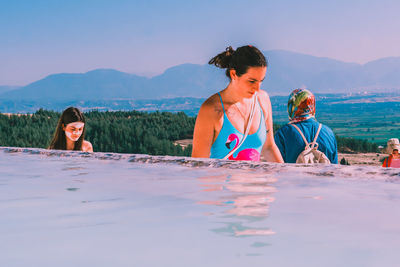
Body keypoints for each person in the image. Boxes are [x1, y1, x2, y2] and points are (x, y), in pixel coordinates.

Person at [192, 45, 283, 162]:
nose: (257, 88)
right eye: (251, 81)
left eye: (261, 81)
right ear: (233, 74)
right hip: (221, 180)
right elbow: (198, 164)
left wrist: (284, 176)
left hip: (257, 180)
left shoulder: (263, 100)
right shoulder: (211, 110)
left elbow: (269, 147)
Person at [274, 88, 338, 163]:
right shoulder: (329, 133)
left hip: (293, 174)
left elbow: (277, 167)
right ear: (313, 107)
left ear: (292, 107)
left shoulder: (283, 134)